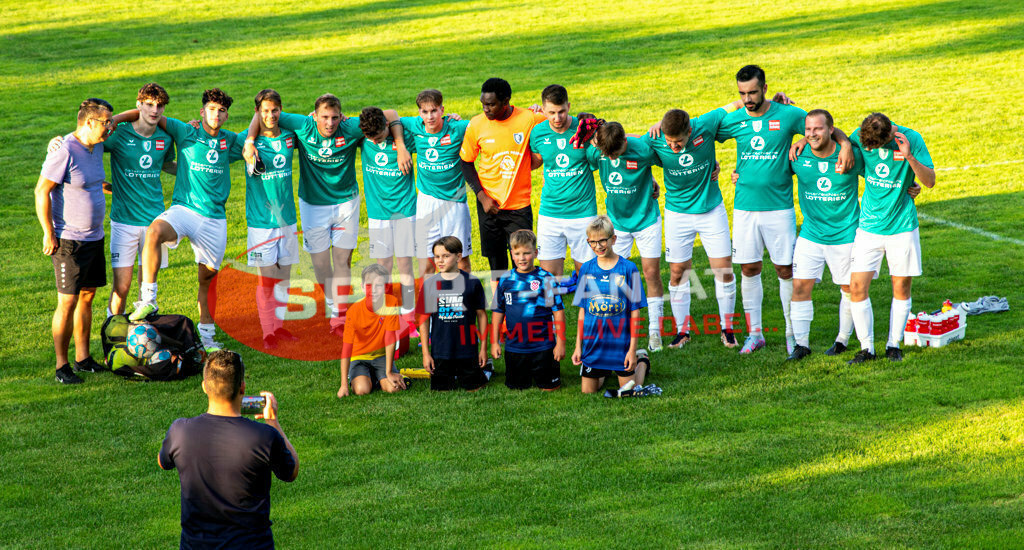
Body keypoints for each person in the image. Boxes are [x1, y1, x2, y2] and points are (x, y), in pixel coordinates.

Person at [716, 64, 854, 355]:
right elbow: (703, 135)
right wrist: (715, 167)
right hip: (744, 208)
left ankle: (793, 335)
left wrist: (842, 144)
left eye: (753, 92)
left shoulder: (788, 114)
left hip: (779, 207)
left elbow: (822, 127)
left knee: (784, 269)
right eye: (742, 93)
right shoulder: (735, 118)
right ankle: (755, 335)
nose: (748, 99)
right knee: (749, 269)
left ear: (765, 88)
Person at [242, 94, 410, 330]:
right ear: (315, 116)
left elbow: (390, 113)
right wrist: (249, 140)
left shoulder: (350, 127)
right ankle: (333, 304)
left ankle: (340, 317)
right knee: (321, 265)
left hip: (346, 203)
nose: (330, 123)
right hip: (313, 205)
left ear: (341, 117)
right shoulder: (303, 125)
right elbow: (263, 113)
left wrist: (401, 146)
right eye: (324, 117)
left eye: (334, 118)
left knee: (342, 260)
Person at [124, 88, 240, 352]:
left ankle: (208, 339)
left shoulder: (230, 141)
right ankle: (148, 299)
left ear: (226, 116)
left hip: (214, 219)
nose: (216, 114)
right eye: (212, 109)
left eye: (222, 111)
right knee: (153, 232)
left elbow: (254, 137)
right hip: (185, 210)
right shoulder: (185, 131)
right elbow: (144, 113)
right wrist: (112, 120)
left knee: (207, 280)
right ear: (202, 112)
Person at [159, 350, 298, 549]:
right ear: (242, 387)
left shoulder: (180, 431)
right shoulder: (264, 436)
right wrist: (273, 422)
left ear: (205, 387)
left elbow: (163, 463)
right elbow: (291, 472)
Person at [845, 113, 935, 363]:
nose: (870, 150)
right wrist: (843, 143)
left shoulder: (912, 138)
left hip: (902, 228)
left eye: (875, 146)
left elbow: (929, 182)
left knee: (901, 288)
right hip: (869, 228)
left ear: (887, 137)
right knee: (857, 287)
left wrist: (909, 157)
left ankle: (893, 345)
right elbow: (840, 136)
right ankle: (867, 348)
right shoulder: (861, 136)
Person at [647, 106, 738, 349]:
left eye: (678, 142)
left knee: (723, 270)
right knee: (678, 273)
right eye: (670, 142)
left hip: (711, 211)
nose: (674, 147)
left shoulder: (705, 124)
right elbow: (629, 148)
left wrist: (773, 99)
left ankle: (727, 329)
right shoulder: (657, 138)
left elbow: (738, 105)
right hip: (677, 215)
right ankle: (682, 331)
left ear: (689, 130)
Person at [36, 98, 113, 383]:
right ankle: (61, 366)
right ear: (89, 122)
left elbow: (92, 184)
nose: (110, 127)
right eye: (106, 122)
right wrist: (48, 232)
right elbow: (41, 191)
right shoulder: (64, 150)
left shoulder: (96, 145)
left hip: (95, 237)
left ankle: (83, 358)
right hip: (68, 240)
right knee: (67, 302)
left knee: (88, 296)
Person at [786, 109, 864, 360]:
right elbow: (770, 175)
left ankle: (842, 340)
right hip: (810, 234)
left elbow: (877, 174)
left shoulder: (850, 158)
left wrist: (911, 186)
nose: (811, 134)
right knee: (800, 287)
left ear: (831, 130)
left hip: (845, 235)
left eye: (818, 129)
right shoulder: (797, 155)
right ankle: (801, 345)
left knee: (848, 289)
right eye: (807, 130)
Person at [229, 89, 300, 349]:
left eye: (275, 110)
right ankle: (267, 332)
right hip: (260, 222)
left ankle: (279, 328)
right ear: (257, 112)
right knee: (267, 279)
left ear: (281, 110)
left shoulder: (291, 136)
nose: (271, 115)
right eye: (265, 111)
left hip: (288, 220)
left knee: (284, 279)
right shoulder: (246, 142)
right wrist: (249, 139)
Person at [585, 121, 666, 352]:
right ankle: (615, 329)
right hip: (616, 224)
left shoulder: (643, 148)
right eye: (606, 153)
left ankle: (654, 332)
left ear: (625, 142)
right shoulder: (597, 151)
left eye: (616, 152)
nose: (611, 157)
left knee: (651, 273)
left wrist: (714, 164)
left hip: (646, 219)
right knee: (615, 277)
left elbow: (671, 156)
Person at [459, 77, 546, 276]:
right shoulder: (477, 124)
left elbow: (557, 122)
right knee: (496, 262)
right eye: (483, 104)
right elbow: (466, 161)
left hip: (519, 207)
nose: (486, 109)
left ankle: (523, 301)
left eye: (491, 104)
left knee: (523, 261)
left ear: (506, 102)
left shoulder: (529, 118)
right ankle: (499, 304)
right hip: (489, 205)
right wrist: (482, 197)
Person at [571, 216, 650, 394]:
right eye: (593, 242)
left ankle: (642, 361)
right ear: (588, 242)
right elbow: (583, 311)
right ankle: (603, 370)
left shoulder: (629, 269)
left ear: (613, 239)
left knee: (630, 390)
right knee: (587, 392)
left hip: (620, 345)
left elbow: (635, 312)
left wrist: (632, 350)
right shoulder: (586, 269)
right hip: (594, 345)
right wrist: (578, 347)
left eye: (602, 241)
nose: (598, 246)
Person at [357, 106, 418, 327]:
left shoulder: (405, 137)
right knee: (382, 267)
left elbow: (392, 112)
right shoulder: (364, 137)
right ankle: (385, 314)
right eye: (370, 138)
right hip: (377, 213)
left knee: (405, 266)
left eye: (379, 136)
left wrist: (401, 146)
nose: (374, 141)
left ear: (387, 126)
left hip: (404, 211)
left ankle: (410, 318)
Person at [401, 89, 473, 275]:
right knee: (426, 262)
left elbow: (485, 125)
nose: (430, 116)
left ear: (442, 109)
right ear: (419, 113)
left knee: (461, 260)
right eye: (425, 112)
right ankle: (428, 302)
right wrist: (401, 147)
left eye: (434, 111)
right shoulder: (414, 125)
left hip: (454, 203)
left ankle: (465, 302)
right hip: (427, 201)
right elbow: (389, 116)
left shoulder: (457, 127)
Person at [529, 84, 597, 276]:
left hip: (583, 213)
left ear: (568, 106)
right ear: (543, 110)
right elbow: (537, 161)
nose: (557, 118)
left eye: (561, 112)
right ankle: (555, 308)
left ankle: (585, 307)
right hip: (550, 213)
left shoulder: (585, 128)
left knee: (587, 278)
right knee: (550, 280)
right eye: (551, 113)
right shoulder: (537, 133)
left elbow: (605, 156)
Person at [490, 230, 565, 390]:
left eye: (527, 253)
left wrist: (560, 343)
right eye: (517, 253)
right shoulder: (505, 279)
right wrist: (495, 341)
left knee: (550, 388)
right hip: (515, 347)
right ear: (511, 253)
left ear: (536, 252)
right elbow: (497, 311)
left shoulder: (546, 278)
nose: (522, 258)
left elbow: (558, 312)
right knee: (516, 387)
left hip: (543, 346)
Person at [417, 236, 489, 391]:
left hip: (467, 350)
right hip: (441, 351)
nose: (440, 261)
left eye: (445, 256)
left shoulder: (472, 282)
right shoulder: (429, 285)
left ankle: (485, 369)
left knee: (474, 387)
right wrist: (426, 354)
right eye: (437, 257)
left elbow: (482, 316)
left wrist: (483, 348)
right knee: (441, 390)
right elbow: (423, 320)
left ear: (458, 256)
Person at [338, 264, 408, 397]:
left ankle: (380, 376)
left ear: (386, 287)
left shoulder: (391, 302)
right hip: (359, 357)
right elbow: (347, 348)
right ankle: (366, 377)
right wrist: (343, 385)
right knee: (361, 391)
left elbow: (389, 338)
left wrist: (388, 372)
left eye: (379, 285)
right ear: (363, 287)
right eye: (369, 285)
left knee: (394, 389)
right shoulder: (353, 311)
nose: (374, 290)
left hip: (381, 357)